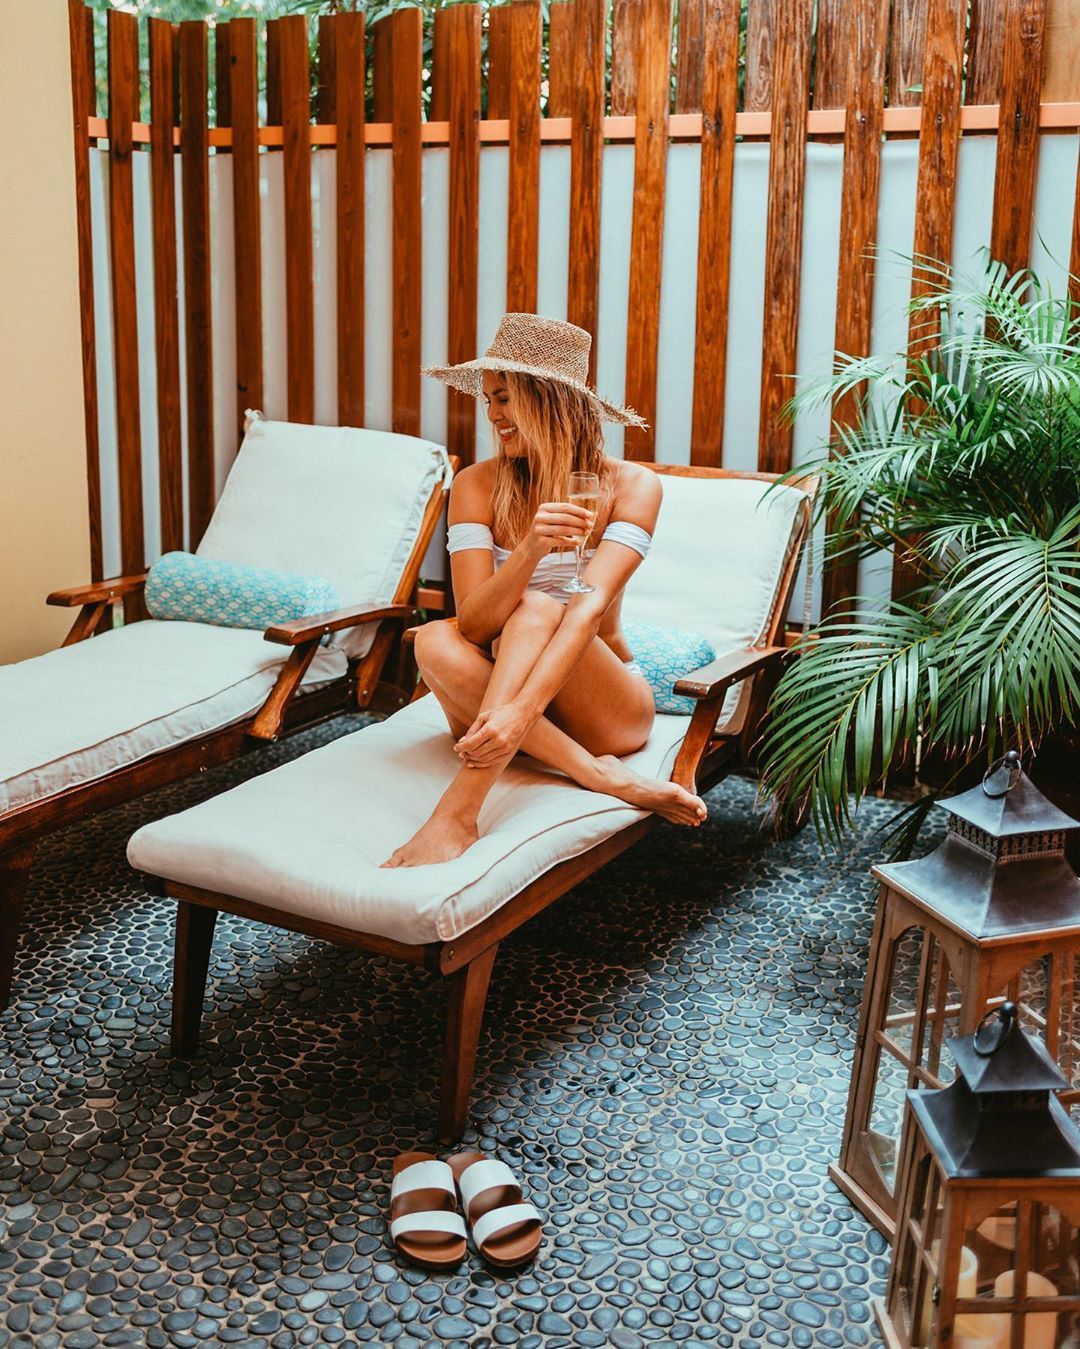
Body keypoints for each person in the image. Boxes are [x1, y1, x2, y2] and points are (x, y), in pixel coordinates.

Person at [382, 314, 707, 868]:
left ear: (553, 401)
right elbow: (474, 626)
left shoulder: (632, 486)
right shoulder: (476, 484)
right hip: (495, 696)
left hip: (602, 709)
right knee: (432, 640)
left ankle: (458, 812)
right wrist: (530, 548)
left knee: (536, 607)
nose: (492, 415)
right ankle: (595, 773)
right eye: (488, 399)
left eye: (504, 398)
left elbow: (586, 612)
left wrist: (519, 713)